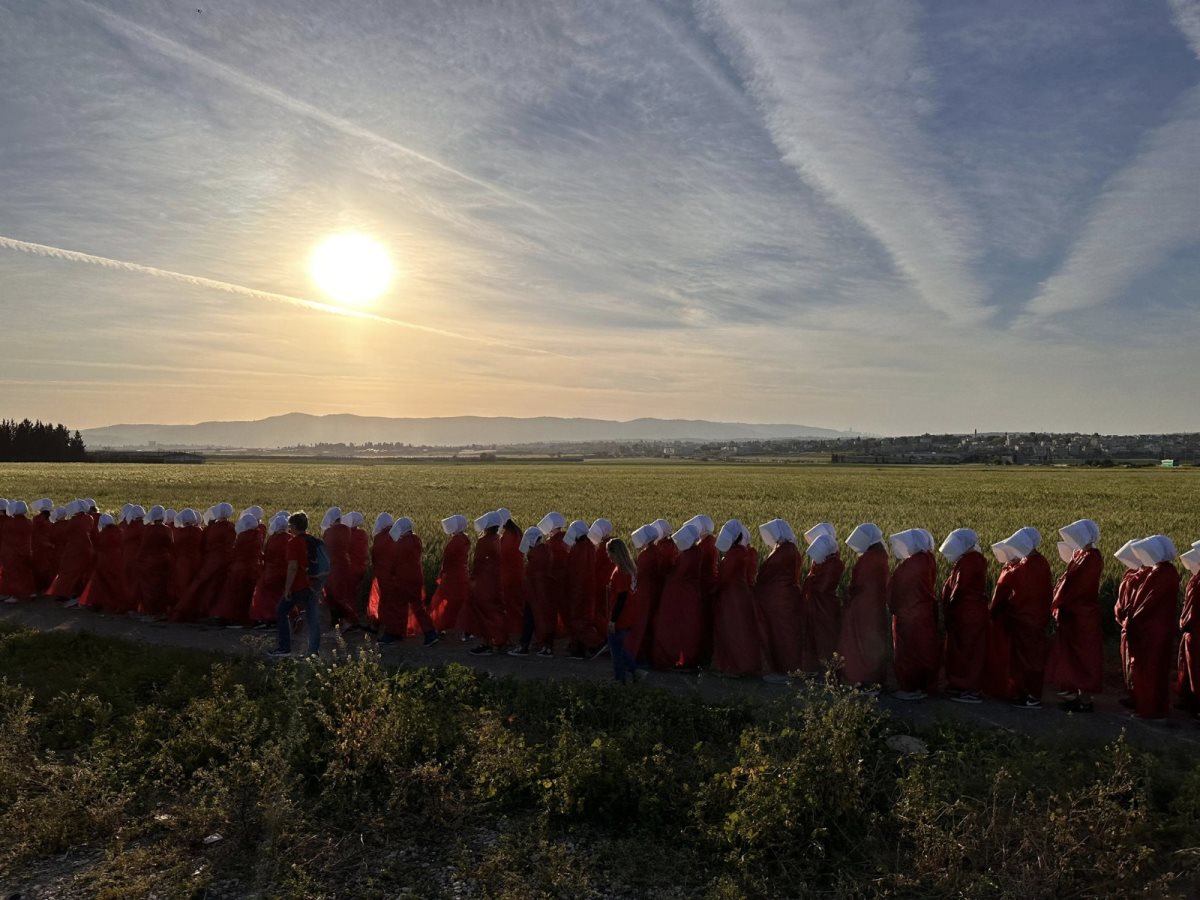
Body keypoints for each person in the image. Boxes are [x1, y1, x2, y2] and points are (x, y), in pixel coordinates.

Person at [987, 527, 1053, 709]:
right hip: (1031, 618)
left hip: (1027, 618)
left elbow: (1006, 587)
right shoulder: (1038, 562)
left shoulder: (1029, 566)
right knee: (1026, 657)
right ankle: (1025, 692)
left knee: (1029, 659)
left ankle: (1032, 695)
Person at [1045, 519, 1104, 712]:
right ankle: (1076, 695)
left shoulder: (1092, 557)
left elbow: (1079, 587)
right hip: (1073, 614)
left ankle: (1085, 700)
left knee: (1083, 656)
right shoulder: (1082, 554)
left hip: (1081, 615)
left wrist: (1061, 601)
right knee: (1073, 656)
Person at [1125, 535, 1180, 721]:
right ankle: (1156, 708)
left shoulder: (1160, 574)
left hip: (1151, 631)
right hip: (1158, 629)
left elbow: (1146, 603)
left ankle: (1148, 710)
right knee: (1157, 670)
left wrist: (1132, 620)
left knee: (1148, 671)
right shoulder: (1167, 572)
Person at [887, 529, 940, 701]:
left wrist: (894, 606)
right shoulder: (927, 559)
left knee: (909, 651)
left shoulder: (913, 564)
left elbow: (900, 588)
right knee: (922, 649)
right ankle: (923, 685)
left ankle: (911, 687)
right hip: (923, 613)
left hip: (910, 614)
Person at [838, 523, 890, 692]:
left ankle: (863, 678)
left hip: (863, 606)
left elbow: (859, 583)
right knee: (870, 642)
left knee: (859, 643)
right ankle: (871, 679)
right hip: (873, 605)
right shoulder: (880, 555)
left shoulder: (869, 558)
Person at [938, 528, 988, 703]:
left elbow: (961, 588)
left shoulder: (969, 562)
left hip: (967, 614)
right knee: (962, 649)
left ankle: (970, 689)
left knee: (968, 650)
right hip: (968, 613)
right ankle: (960, 685)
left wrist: (950, 605)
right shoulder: (971, 560)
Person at [754, 518, 804, 682]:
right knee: (784, 633)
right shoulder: (788, 548)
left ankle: (785, 669)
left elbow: (768, 573)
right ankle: (786, 667)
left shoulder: (785, 550)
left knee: (782, 635)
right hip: (783, 599)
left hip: (780, 601)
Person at [652, 523, 705, 670]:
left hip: (678, 596)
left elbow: (676, 574)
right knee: (688, 628)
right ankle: (687, 658)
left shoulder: (688, 556)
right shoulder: (697, 552)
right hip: (689, 594)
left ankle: (672, 657)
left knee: (674, 627)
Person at [711, 519, 760, 676]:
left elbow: (724, 577)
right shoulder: (746, 552)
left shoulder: (733, 555)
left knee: (731, 631)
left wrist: (712, 589)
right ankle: (746, 665)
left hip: (731, 598)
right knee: (743, 631)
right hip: (742, 594)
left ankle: (734, 666)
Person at [269, 512, 321, 657]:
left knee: (281, 611)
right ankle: (313, 651)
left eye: (290, 525)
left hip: (299, 585)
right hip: (313, 584)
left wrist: (287, 588)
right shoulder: (313, 540)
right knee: (312, 618)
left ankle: (284, 648)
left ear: (294, 526)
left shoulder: (293, 542)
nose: (289, 528)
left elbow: (292, 567)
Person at [384, 516, 439, 645]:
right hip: (416, 578)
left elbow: (393, 562)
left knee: (397, 607)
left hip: (403, 580)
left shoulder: (401, 544)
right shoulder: (416, 540)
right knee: (418, 607)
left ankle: (394, 633)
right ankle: (430, 633)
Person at [179, 502, 235, 621]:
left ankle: (202, 610)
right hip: (228, 559)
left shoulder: (212, 529)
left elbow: (205, 544)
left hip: (212, 560)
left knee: (204, 585)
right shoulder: (232, 527)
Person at [801, 531, 844, 676]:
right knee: (814, 636)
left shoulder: (834, 564)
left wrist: (810, 580)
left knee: (826, 638)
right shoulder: (829, 562)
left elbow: (822, 586)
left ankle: (831, 671)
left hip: (825, 606)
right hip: (817, 605)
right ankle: (817, 668)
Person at [606, 539, 646, 684]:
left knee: (615, 649)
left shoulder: (620, 572)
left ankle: (620, 678)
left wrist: (613, 620)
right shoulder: (631, 569)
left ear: (615, 553)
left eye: (609, 552)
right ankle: (636, 672)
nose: (608, 556)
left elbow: (621, 598)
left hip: (621, 616)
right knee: (618, 646)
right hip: (630, 614)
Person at [1112, 538, 1149, 700]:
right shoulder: (1131, 574)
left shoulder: (1145, 576)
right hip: (1127, 623)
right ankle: (1132, 691)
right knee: (1128, 660)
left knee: (1137, 663)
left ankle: (1138, 695)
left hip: (1135, 625)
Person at [211, 513, 262, 626]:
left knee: (235, 595)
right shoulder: (257, 534)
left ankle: (235, 618)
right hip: (252, 568)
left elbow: (237, 552)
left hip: (240, 569)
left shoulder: (243, 537)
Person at [509, 525, 552, 656]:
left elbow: (531, 575)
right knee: (542, 618)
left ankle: (525, 646)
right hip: (543, 592)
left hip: (535, 594)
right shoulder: (546, 551)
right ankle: (545, 645)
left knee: (531, 619)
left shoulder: (535, 555)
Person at [467, 511, 507, 655]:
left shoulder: (484, 541)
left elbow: (477, 562)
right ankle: (500, 640)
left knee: (484, 612)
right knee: (495, 610)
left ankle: (488, 642)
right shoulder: (497, 538)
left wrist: (472, 579)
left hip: (484, 581)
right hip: (495, 579)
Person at [564, 519, 601, 659]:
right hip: (589, 587)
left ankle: (594, 643)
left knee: (577, 619)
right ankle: (578, 649)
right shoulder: (590, 546)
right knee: (584, 618)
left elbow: (574, 571)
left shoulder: (578, 549)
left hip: (578, 589)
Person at [48, 500, 95, 603]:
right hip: (87, 547)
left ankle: (65, 593)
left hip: (74, 548)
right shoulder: (89, 518)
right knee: (81, 571)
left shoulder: (74, 521)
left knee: (69, 571)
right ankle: (78, 592)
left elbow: (66, 533)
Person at [430, 514, 471, 633]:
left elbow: (448, 559)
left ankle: (442, 625)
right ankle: (464, 627)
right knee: (459, 601)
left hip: (453, 576)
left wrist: (443, 573)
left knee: (446, 601)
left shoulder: (456, 541)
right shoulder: (464, 539)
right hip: (462, 574)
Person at [79, 514, 127, 613]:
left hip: (104, 560)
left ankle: (98, 603)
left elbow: (98, 546)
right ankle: (119, 605)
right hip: (118, 559)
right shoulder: (119, 531)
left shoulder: (103, 534)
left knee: (100, 583)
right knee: (116, 582)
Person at [320, 507, 358, 628]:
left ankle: (342, 621)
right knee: (341, 593)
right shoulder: (347, 529)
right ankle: (343, 620)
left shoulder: (329, 532)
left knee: (332, 594)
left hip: (333, 565)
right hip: (344, 563)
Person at [251, 513, 291, 625]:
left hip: (272, 573)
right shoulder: (291, 538)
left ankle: (269, 617)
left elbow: (267, 555)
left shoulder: (273, 539)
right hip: (287, 573)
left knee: (263, 593)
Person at [134, 506, 174, 618]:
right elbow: (171, 545)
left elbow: (144, 547)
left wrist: (139, 559)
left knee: (150, 589)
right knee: (162, 587)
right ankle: (161, 611)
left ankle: (151, 612)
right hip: (163, 562)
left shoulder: (148, 530)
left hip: (150, 563)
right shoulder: (167, 529)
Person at [168, 508, 206, 619]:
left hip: (183, 562)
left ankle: (182, 611)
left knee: (182, 586)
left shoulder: (180, 533)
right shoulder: (199, 531)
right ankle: (193, 611)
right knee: (194, 586)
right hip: (197, 561)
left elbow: (175, 548)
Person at [1177, 545, 1200, 719]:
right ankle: (1189, 699)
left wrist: (1186, 621)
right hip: (1192, 628)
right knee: (1190, 667)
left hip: (1195, 629)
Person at [538, 512, 569, 639]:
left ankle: (557, 630)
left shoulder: (553, 542)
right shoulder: (566, 538)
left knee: (555, 606)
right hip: (563, 577)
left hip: (555, 578)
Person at [0, 501, 36, 602]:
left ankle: (14, 595)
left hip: (11, 552)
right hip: (25, 550)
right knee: (26, 572)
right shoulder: (29, 522)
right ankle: (30, 592)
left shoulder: (9, 523)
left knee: (12, 573)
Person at [498, 509, 525, 637]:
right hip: (518, 570)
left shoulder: (508, 535)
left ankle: (514, 628)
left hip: (508, 572)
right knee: (516, 599)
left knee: (510, 600)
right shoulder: (517, 532)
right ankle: (518, 626)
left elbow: (503, 554)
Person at [588, 518, 615, 646]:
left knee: (598, 613)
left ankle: (607, 637)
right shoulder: (612, 544)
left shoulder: (603, 548)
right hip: (606, 583)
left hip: (601, 584)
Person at [344, 511, 369, 616]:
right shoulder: (363, 533)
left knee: (349, 594)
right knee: (354, 592)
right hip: (362, 567)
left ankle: (351, 617)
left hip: (351, 569)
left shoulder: (348, 534)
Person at [121, 505, 146, 608]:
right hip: (140, 557)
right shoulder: (145, 526)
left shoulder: (131, 527)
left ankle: (131, 604)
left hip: (130, 557)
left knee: (131, 582)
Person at [30, 498, 56, 595]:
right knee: (48, 567)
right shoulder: (51, 519)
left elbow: (35, 534)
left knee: (38, 567)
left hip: (39, 547)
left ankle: (38, 588)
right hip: (49, 546)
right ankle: (47, 587)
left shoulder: (37, 519)